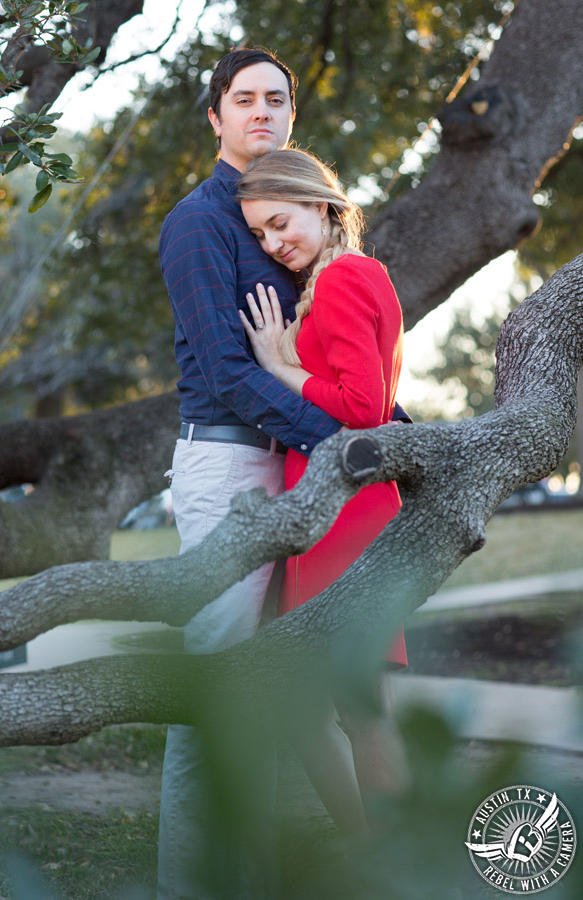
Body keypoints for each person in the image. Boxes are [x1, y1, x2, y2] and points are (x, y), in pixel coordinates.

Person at [236, 148, 410, 832]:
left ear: (321, 205)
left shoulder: (343, 277)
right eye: (260, 235)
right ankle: (377, 853)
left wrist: (278, 367)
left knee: (361, 708)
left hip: (346, 520)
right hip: (329, 515)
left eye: (281, 223)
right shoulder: (338, 277)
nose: (275, 244)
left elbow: (364, 407)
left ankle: (399, 865)